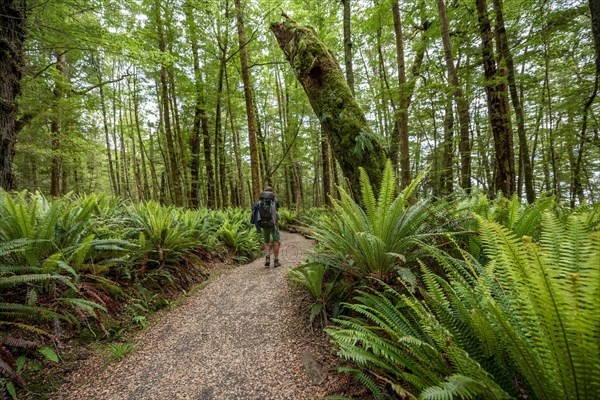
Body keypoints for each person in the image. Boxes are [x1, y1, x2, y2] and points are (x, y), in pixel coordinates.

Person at [253, 186, 281, 268]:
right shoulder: (275, 200)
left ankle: (267, 258)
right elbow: (277, 211)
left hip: (264, 224)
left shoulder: (260, 202)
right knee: (276, 241)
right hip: (274, 224)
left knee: (267, 242)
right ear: (272, 192)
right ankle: (276, 261)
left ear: (264, 192)